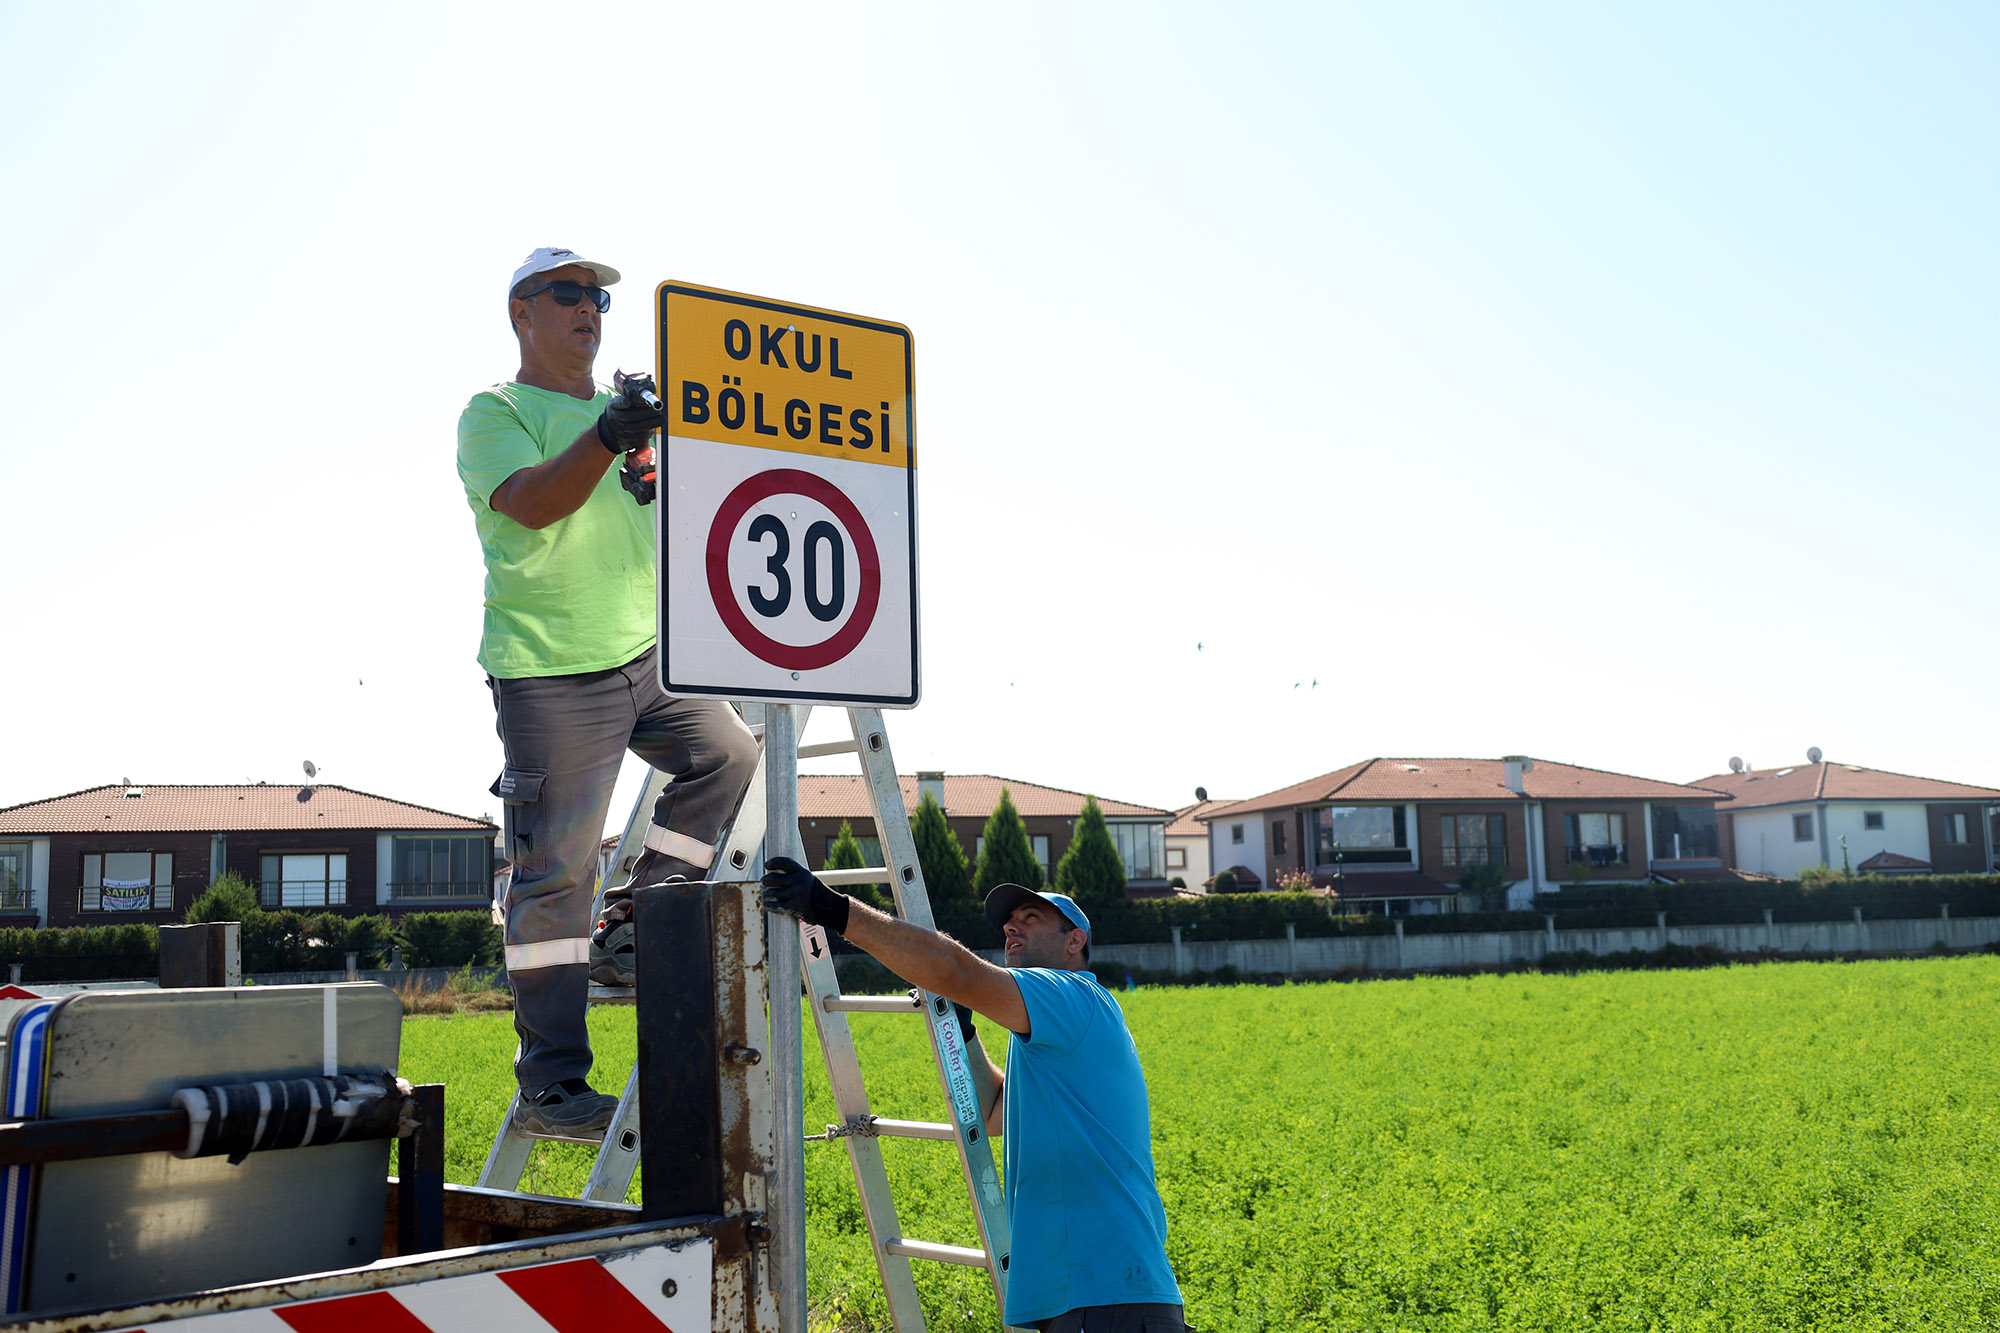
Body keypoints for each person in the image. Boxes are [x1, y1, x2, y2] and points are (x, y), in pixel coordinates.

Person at [458, 247, 760, 1136]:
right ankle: (550, 1085)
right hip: (549, 670)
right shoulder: (496, 412)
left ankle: (635, 919)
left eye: (598, 297)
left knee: (728, 754)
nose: (589, 307)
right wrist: (608, 437)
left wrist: (649, 439)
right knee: (554, 874)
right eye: (569, 294)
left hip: (649, 656)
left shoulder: (628, 419)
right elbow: (537, 505)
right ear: (523, 312)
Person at [760, 857, 1189, 1333]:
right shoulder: (1050, 1031)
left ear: (1075, 941)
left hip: (1109, 1295)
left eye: (1031, 919)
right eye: (1010, 922)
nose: (1012, 928)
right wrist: (964, 1026)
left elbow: (956, 970)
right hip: (1084, 1296)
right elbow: (992, 1112)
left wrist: (830, 908)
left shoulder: (1071, 995)